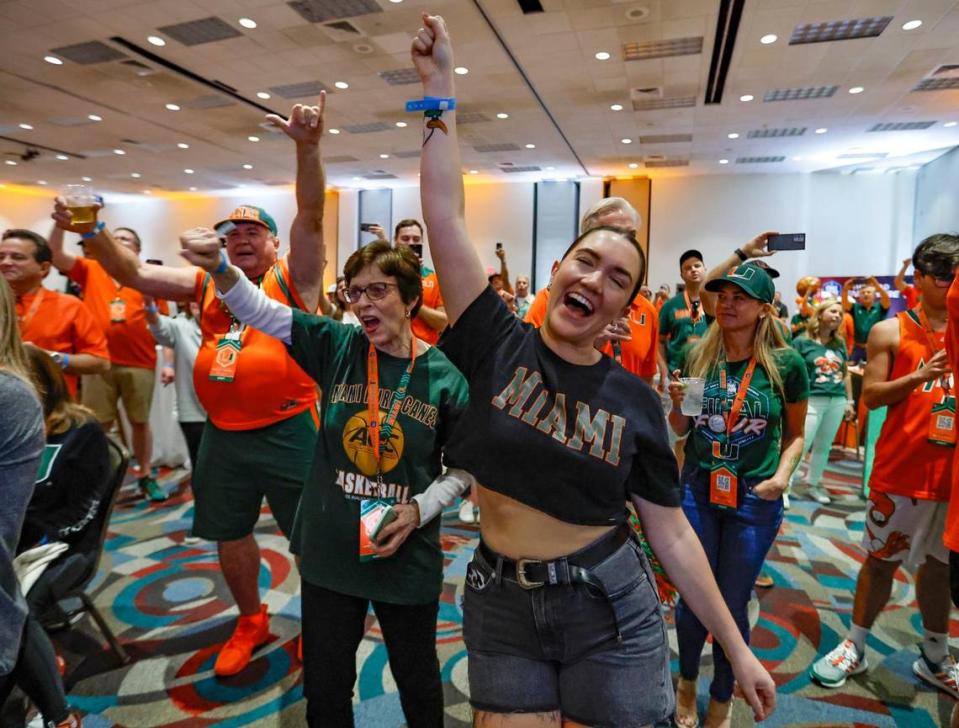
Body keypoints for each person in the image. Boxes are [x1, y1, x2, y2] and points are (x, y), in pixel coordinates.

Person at [413, 15, 776, 727]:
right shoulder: (494, 338)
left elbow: (670, 533)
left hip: (606, 604)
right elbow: (444, 217)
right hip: (500, 599)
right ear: (556, 271)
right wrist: (439, 91)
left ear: (623, 309)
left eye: (617, 278)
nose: (596, 279)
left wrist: (735, 647)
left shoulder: (635, 401)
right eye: (586, 261)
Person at [50, 94, 328, 679]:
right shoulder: (202, 284)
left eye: (256, 231)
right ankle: (251, 619)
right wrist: (87, 226)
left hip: (290, 427)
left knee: (311, 536)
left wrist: (307, 149)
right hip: (224, 434)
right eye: (233, 232)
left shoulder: (292, 278)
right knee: (229, 533)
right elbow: (129, 271)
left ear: (274, 244)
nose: (243, 238)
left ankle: (321, 622)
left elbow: (311, 216)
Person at [180, 232, 470, 727]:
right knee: (327, 685)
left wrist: (421, 508)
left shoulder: (446, 375)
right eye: (353, 292)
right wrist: (222, 269)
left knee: (418, 681)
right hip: (331, 549)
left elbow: (465, 469)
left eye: (377, 290)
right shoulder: (337, 345)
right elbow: (261, 311)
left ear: (411, 298)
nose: (362, 303)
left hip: (405, 549)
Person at [810, 234, 959, 698]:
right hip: (901, 471)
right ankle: (855, 645)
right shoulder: (892, 330)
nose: (953, 285)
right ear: (922, 277)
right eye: (946, 277)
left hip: (951, 479)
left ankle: (935, 655)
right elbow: (870, 396)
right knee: (880, 562)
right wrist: (917, 377)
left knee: (937, 569)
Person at [669, 241, 808, 727]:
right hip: (699, 489)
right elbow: (682, 429)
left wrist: (781, 478)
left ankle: (723, 697)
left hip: (754, 497)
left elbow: (794, 436)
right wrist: (675, 403)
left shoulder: (786, 365)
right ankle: (686, 682)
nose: (727, 302)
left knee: (730, 601)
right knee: (693, 596)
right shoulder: (697, 354)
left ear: (764, 310)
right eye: (722, 294)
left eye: (740, 297)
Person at [0, 280, 80, 728]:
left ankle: (57, 713)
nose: (8, 261)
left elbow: (76, 510)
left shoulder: (12, 398)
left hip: (46, 540)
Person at [46, 224, 168, 502]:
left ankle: (146, 475)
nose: (120, 242)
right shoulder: (91, 268)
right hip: (97, 362)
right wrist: (59, 223)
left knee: (140, 421)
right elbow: (53, 254)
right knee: (99, 424)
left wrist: (150, 305)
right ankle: (100, 479)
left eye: (127, 239)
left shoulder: (149, 277)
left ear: (138, 249)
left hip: (140, 361)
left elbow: (161, 324)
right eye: (116, 239)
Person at [17, 345, 112, 626]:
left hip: (65, 546)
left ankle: (36, 666)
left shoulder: (82, 431)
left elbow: (83, 512)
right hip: (20, 538)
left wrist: (38, 541)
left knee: (15, 610)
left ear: (41, 386)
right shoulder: (18, 429)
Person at [1, 229, 110, 398]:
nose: (6, 262)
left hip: (50, 409)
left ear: (44, 268)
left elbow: (100, 362)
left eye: (17, 257)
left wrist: (51, 358)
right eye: (1, 257)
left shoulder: (69, 306)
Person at [789, 298, 855, 505]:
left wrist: (849, 401)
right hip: (810, 399)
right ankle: (785, 485)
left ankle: (813, 483)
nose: (837, 316)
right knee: (801, 444)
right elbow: (790, 371)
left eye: (839, 313)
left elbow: (845, 373)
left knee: (824, 446)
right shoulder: (801, 341)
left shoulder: (839, 343)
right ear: (820, 314)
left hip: (836, 399)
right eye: (833, 311)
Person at [143, 296, 206, 473]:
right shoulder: (180, 325)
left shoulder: (230, 325)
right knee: (201, 467)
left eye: (201, 297)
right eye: (192, 297)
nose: (195, 301)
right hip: (193, 413)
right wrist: (149, 304)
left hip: (227, 414)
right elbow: (158, 326)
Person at [393, 219, 448, 345]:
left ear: (422, 242)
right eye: (405, 239)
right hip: (390, 349)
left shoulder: (433, 278)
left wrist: (414, 303)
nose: (411, 243)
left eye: (416, 239)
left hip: (426, 351)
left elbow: (443, 323)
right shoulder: (384, 274)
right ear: (395, 241)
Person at [842, 275, 890, 362]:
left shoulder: (880, 307)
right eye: (862, 293)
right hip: (858, 347)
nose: (865, 294)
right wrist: (845, 289)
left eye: (868, 292)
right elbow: (845, 303)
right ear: (859, 297)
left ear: (874, 295)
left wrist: (876, 284)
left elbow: (886, 298)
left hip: (876, 347)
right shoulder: (855, 307)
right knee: (852, 371)